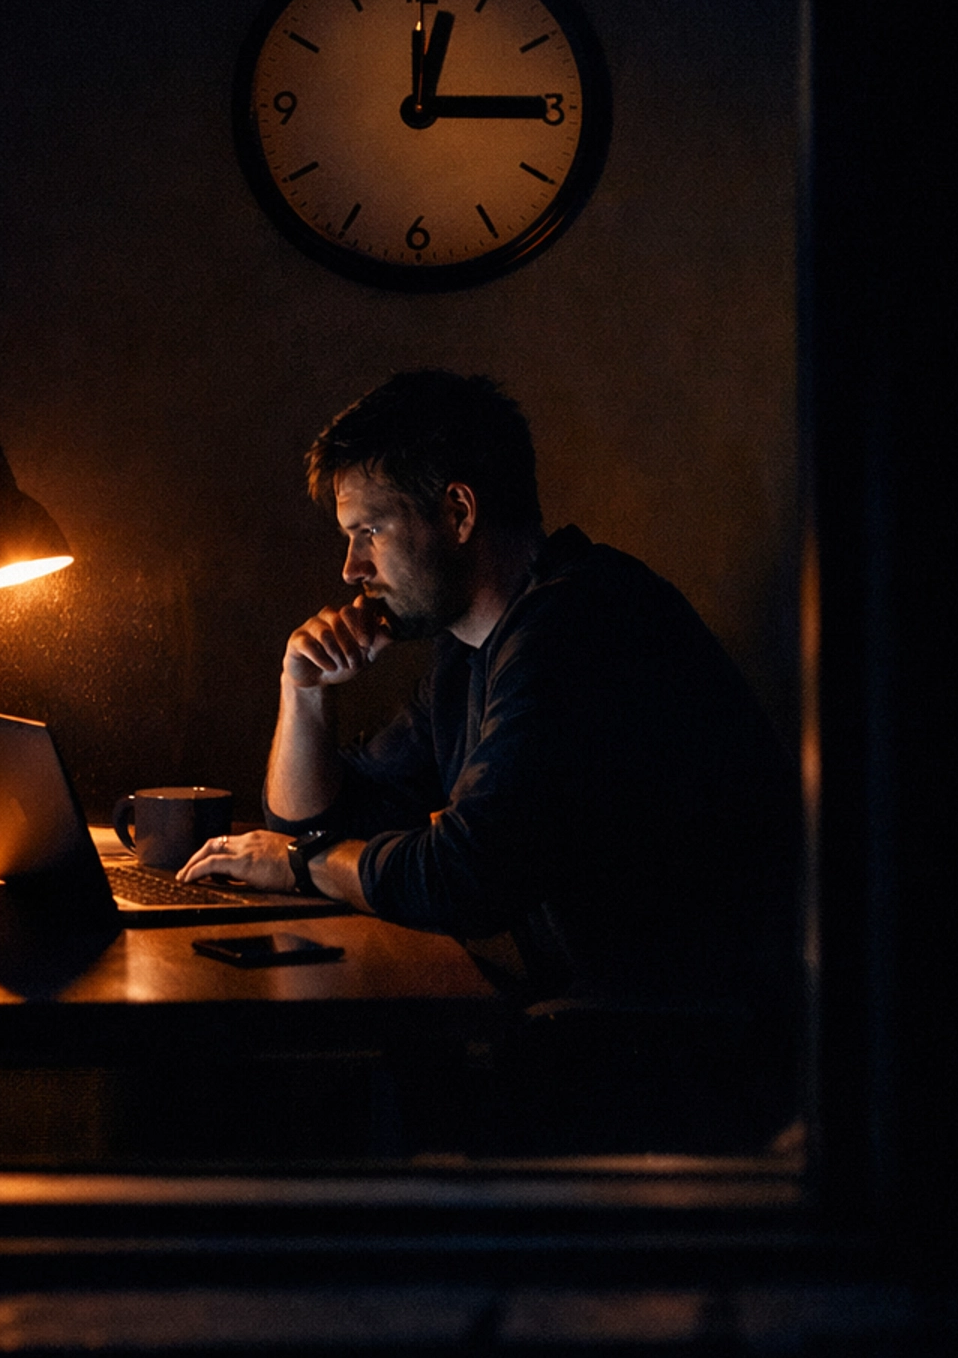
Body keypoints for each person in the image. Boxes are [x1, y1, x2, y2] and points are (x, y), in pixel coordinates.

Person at [179, 372, 800, 1134]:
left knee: (280, 1127)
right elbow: (316, 820)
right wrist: (301, 690)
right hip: (591, 1032)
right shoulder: (471, 651)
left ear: (460, 511)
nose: (351, 569)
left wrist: (304, 864)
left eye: (367, 531)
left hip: (684, 1063)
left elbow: (468, 873)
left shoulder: (576, 626)